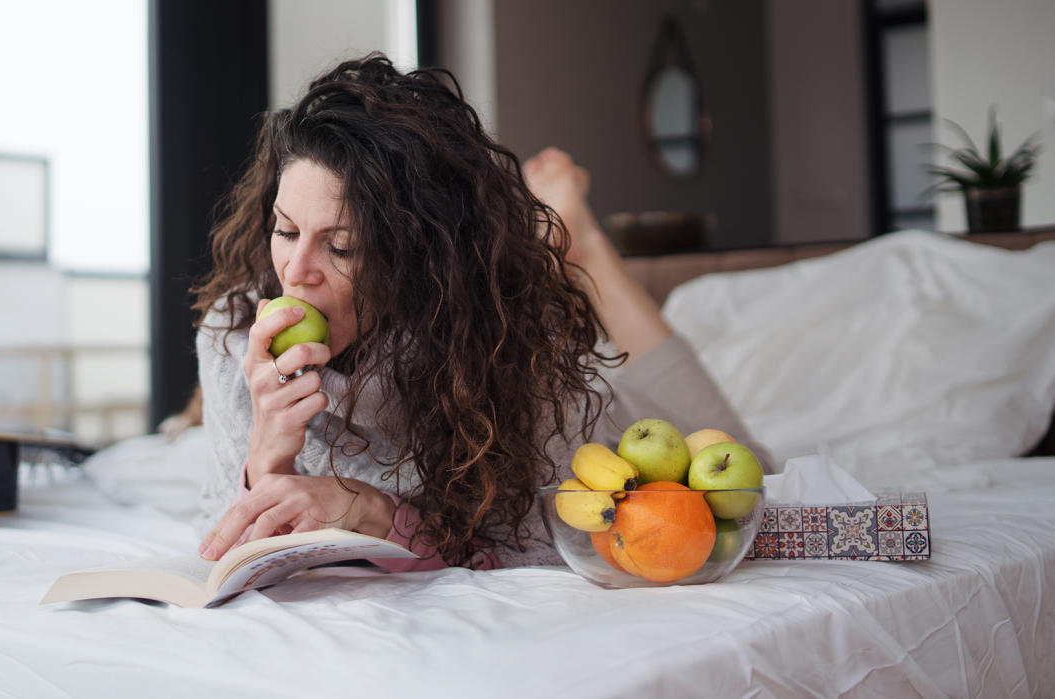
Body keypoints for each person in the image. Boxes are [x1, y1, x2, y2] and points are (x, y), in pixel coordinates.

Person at [191, 53, 768, 571]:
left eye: (342, 246)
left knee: (748, 464)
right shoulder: (232, 333)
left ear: (418, 257)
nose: (295, 272)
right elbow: (225, 547)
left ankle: (582, 240)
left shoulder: (498, 335)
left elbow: (545, 543)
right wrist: (267, 456)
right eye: (286, 231)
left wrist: (372, 510)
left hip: (628, 434)